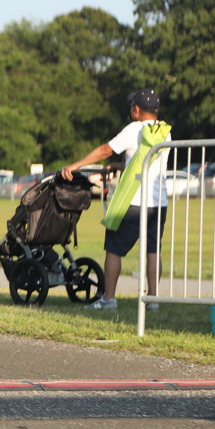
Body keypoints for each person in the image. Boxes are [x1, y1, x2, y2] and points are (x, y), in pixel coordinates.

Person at [61, 88, 171, 311]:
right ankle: (153, 299)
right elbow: (146, 162)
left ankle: (108, 299)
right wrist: (120, 165)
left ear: (137, 109)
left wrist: (75, 165)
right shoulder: (164, 132)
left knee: (114, 249)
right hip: (158, 203)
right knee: (152, 251)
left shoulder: (134, 129)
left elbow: (105, 150)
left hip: (133, 201)